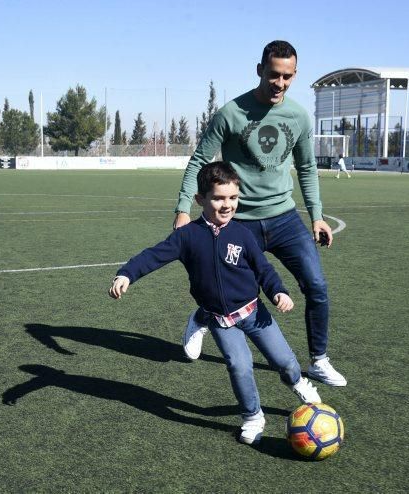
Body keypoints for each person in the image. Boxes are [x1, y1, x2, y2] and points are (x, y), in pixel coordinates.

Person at [173, 40, 347, 387]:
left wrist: (317, 215)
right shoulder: (231, 113)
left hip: (284, 218)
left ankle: (319, 360)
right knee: (227, 290)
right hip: (238, 223)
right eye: (273, 75)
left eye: (286, 77)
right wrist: (182, 208)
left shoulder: (297, 116)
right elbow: (199, 160)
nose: (279, 83)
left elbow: (308, 167)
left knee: (317, 285)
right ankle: (202, 316)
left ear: (294, 75)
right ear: (260, 71)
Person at [110, 162, 322, 445]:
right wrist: (126, 273)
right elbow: (153, 255)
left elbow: (264, 270)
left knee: (284, 362)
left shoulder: (243, 234)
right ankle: (252, 416)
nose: (227, 205)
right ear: (200, 200)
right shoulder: (187, 236)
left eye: (233, 198)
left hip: (254, 312)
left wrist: (278, 292)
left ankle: (298, 383)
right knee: (239, 365)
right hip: (220, 319)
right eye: (219, 198)